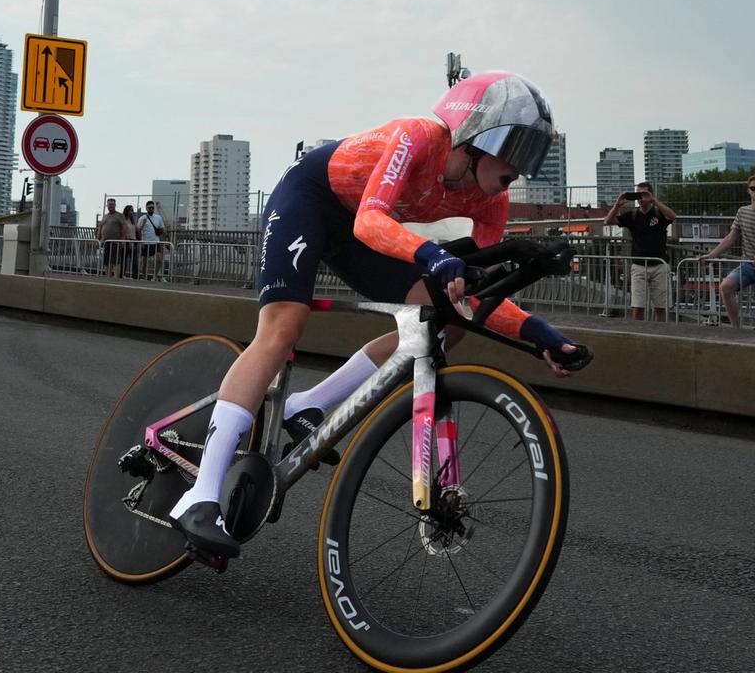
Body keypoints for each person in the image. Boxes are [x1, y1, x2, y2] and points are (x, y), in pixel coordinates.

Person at [168, 71, 591, 559]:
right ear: (478, 134)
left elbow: (479, 294)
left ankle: (306, 403)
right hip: (311, 200)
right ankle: (198, 496)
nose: (523, 165)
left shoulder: (490, 200)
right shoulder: (418, 137)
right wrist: (433, 256)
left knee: (446, 320)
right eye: (517, 145)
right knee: (283, 327)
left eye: (533, 151)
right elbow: (373, 219)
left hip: (356, 232)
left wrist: (539, 334)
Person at [698, 175, 755, 330]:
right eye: (753, 188)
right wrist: (711, 255)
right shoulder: (742, 212)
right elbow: (731, 237)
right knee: (726, 286)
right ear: (748, 191)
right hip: (748, 265)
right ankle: (736, 329)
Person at [604, 181, 676, 321]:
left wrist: (654, 201)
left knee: (661, 307)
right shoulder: (632, 215)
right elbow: (608, 221)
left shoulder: (658, 213)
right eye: (638, 194)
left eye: (644, 194)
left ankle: (660, 335)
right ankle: (638, 335)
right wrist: (617, 205)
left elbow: (672, 216)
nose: (640, 198)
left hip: (659, 264)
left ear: (651, 195)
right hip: (639, 265)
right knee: (638, 307)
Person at [96, 198, 128, 278]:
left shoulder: (119, 215)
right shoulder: (105, 216)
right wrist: (97, 240)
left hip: (116, 242)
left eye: (112, 204)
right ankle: (108, 277)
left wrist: (122, 239)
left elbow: (124, 227)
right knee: (107, 261)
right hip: (106, 242)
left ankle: (116, 278)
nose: (110, 206)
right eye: (109, 204)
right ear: (107, 205)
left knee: (116, 261)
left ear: (115, 205)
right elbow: (100, 228)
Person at [137, 200, 167, 281]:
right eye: (149, 208)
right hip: (145, 242)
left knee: (159, 260)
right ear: (146, 208)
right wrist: (141, 241)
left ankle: (155, 276)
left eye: (152, 208)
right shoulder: (142, 218)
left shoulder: (158, 217)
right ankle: (144, 276)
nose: (151, 209)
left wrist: (164, 235)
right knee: (144, 262)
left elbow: (162, 228)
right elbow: (138, 230)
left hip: (156, 242)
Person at [121, 204, 140, 279]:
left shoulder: (133, 220)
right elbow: (123, 231)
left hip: (133, 240)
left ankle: (135, 276)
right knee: (124, 258)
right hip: (126, 240)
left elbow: (137, 229)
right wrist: (127, 240)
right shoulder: (123, 220)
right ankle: (122, 274)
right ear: (127, 211)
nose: (132, 212)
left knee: (134, 259)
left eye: (132, 210)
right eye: (131, 210)